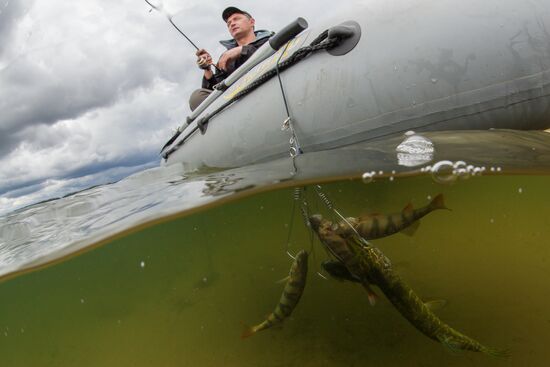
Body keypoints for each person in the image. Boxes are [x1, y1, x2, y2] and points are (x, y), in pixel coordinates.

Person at [189, 7, 273, 111]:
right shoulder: (225, 59)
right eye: (228, 24)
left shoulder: (271, 40)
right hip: (236, 104)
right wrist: (207, 69)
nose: (232, 24)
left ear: (251, 22)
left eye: (237, 19)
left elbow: (275, 55)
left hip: (269, 90)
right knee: (197, 96)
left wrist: (242, 50)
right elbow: (214, 93)